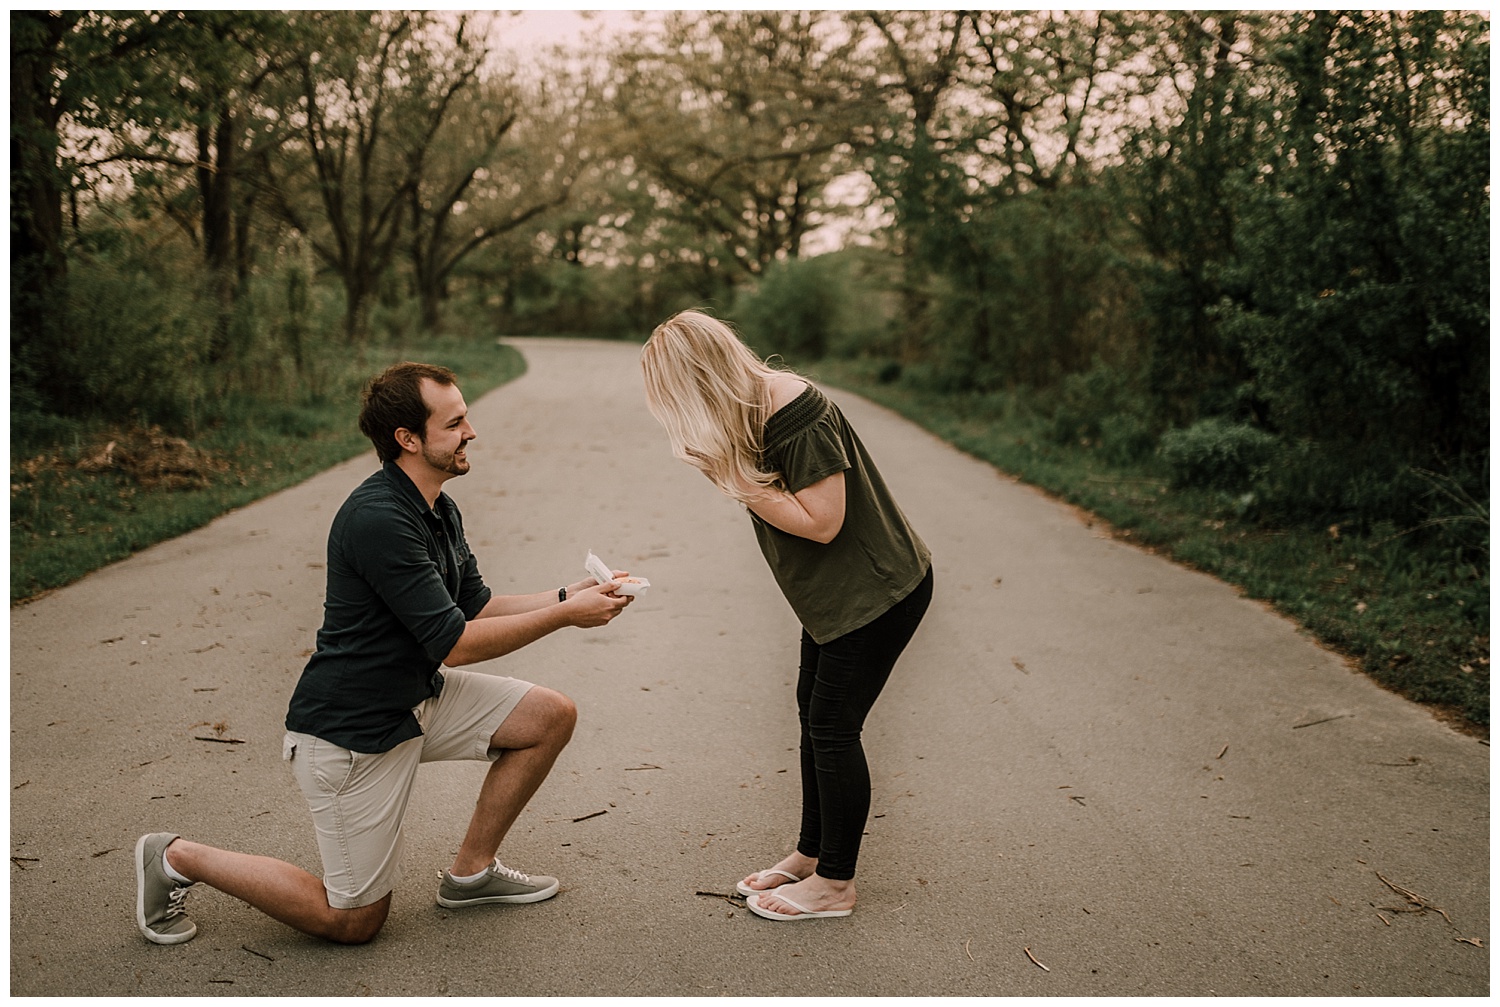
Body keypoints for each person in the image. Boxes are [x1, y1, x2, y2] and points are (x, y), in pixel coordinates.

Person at [135, 361, 633, 945]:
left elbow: (473, 605)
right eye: (455, 423)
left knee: (549, 716)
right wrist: (565, 617)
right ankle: (175, 856)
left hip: (414, 700)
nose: (471, 431)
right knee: (352, 921)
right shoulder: (378, 518)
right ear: (409, 439)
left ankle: (471, 875)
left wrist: (566, 593)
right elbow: (456, 643)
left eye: (466, 417)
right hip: (352, 734)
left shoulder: (437, 506)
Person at [641, 310, 933, 921]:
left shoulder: (793, 410)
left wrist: (734, 478)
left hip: (876, 593)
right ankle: (811, 853)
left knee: (832, 727)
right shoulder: (749, 413)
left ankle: (835, 884)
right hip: (837, 599)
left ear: (700, 379)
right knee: (812, 713)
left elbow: (822, 523)